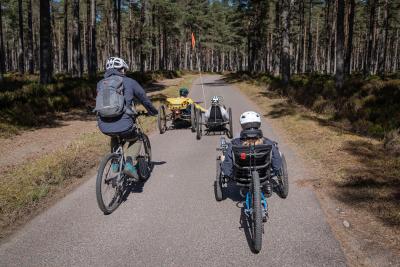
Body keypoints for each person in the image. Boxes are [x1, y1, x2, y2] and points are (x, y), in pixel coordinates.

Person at [97, 57, 158, 180]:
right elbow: (144, 98)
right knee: (137, 138)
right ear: (122, 69)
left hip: (103, 124)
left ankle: (115, 162)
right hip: (124, 123)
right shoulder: (130, 82)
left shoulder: (100, 83)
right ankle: (129, 164)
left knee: (114, 135)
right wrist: (153, 111)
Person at [221, 111, 282, 178]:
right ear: (258, 124)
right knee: (278, 152)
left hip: (241, 174)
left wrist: (228, 174)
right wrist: (276, 170)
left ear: (243, 125)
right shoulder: (267, 142)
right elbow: (276, 158)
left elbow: (228, 161)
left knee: (223, 156)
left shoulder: (235, 143)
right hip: (263, 173)